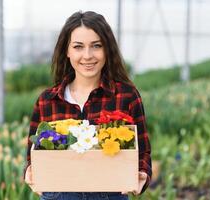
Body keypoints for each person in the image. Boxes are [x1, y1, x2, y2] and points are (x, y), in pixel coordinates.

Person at [24, 10, 152, 200]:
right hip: (59, 194)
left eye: (96, 46)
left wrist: (142, 173)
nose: (88, 55)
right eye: (78, 47)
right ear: (67, 51)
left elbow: (142, 150)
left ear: (107, 49)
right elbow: (33, 154)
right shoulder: (47, 101)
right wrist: (30, 171)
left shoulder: (126, 95)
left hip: (110, 194)